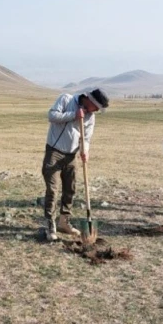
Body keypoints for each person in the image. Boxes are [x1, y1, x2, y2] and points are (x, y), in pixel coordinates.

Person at [42, 88, 110, 241]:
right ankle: (50, 225)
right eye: (96, 107)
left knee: (70, 188)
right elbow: (52, 116)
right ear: (89, 100)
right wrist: (73, 115)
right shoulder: (66, 99)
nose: (96, 111)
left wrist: (84, 150)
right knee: (52, 189)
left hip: (71, 155)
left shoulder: (90, 117)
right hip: (54, 151)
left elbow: (86, 138)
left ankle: (63, 222)